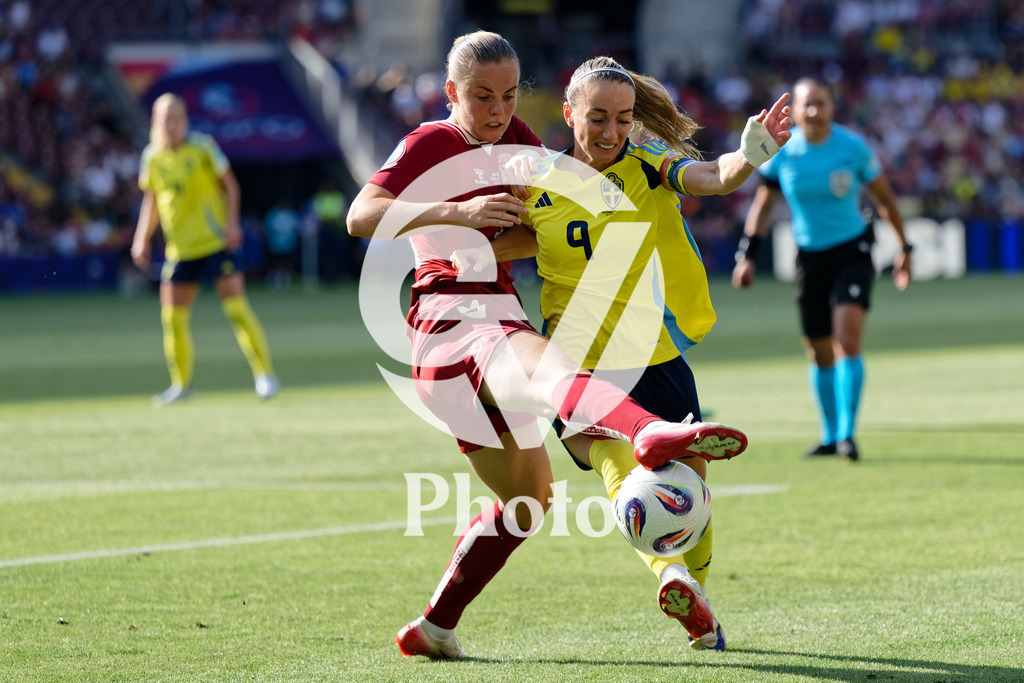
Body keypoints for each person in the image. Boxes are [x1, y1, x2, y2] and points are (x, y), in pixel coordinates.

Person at [346, 32, 749, 660]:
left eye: (508, 95)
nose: (497, 110)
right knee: (549, 364)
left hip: (479, 333)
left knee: (527, 502)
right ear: (452, 93)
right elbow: (362, 216)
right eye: (480, 97)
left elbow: (549, 231)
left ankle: (434, 628)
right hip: (454, 317)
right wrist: (459, 214)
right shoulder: (433, 142)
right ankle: (646, 432)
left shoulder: (526, 149)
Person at [456, 55, 791, 651]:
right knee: (624, 477)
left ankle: (690, 591)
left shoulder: (648, 165)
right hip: (573, 366)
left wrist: (753, 154)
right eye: (597, 118)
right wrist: (457, 254)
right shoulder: (538, 181)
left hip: (652, 356)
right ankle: (679, 580)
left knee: (691, 494)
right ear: (568, 115)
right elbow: (506, 240)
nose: (611, 132)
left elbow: (712, 177)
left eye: (624, 119)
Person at [731, 77, 912, 461]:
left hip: (853, 250)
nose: (813, 111)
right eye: (806, 104)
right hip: (809, 257)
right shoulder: (782, 152)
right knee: (817, 349)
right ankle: (829, 436)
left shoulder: (852, 147)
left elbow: (884, 199)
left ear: (832, 108)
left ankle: (848, 436)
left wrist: (904, 247)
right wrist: (747, 255)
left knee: (846, 339)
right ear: (793, 111)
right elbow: (763, 206)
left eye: (821, 103)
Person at [131, 93, 279, 406]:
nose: (170, 124)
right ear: (154, 123)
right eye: (164, 118)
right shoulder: (152, 158)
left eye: (175, 117)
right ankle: (181, 385)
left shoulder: (202, 148)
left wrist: (232, 224)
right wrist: (141, 237)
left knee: (236, 310)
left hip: (214, 243)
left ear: (184, 120)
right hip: (180, 250)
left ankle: (264, 375)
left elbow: (230, 185)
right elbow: (152, 199)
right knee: (172, 319)